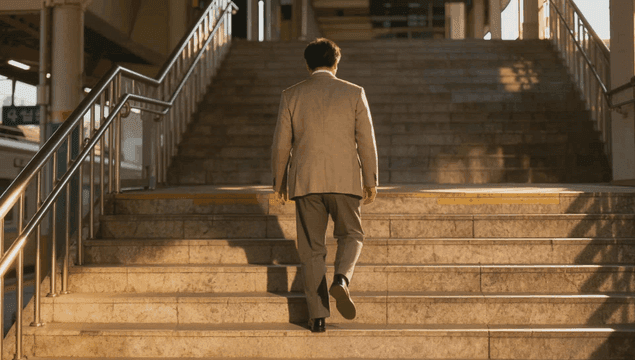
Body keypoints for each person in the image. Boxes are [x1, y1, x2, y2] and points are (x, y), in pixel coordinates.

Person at [270, 37, 379, 333]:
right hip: (345, 179)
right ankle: (342, 280)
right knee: (353, 234)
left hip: (306, 181)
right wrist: (370, 179)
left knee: (312, 250)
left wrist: (279, 183)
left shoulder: (291, 95)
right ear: (336, 62)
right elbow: (366, 141)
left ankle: (317, 316)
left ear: (307, 65)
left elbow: (281, 145)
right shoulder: (354, 93)